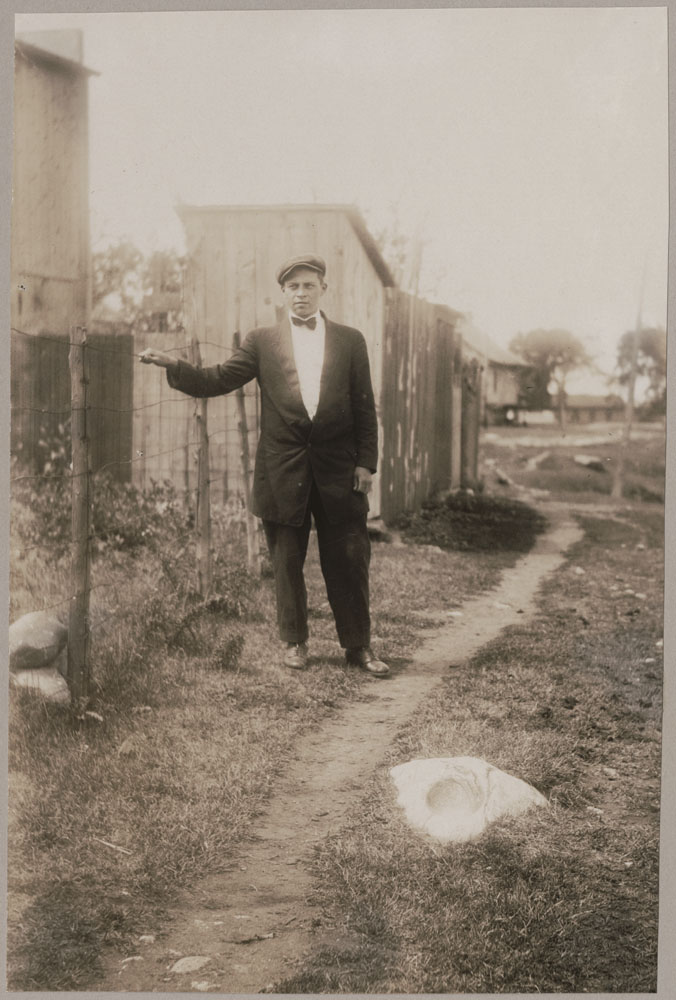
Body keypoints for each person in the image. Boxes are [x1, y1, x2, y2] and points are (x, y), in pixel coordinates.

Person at [139, 252, 389, 677]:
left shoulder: (351, 340)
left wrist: (366, 463)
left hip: (339, 472)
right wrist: (176, 367)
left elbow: (365, 408)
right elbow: (217, 379)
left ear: (323, 289)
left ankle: (358, 646)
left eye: (309, 285)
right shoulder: (262, 341)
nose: (301, 294)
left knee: (349, 557)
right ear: (283, 294)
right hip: (282, 472)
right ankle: (295, 643)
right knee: (287, 559)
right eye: (293, 287)